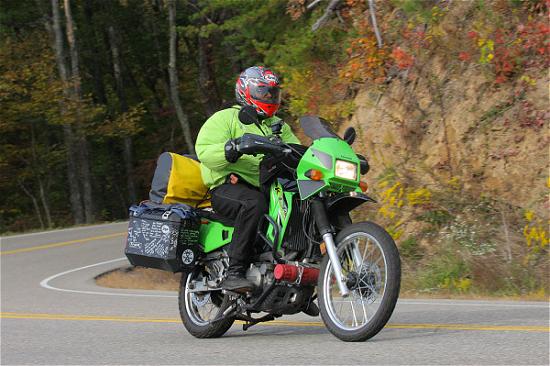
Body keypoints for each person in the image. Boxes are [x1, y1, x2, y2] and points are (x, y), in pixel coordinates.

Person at [195, 66, 300, 292]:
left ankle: (300, 275)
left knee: (302, 202)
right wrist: (231, 148)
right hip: (227, 188)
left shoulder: (278, 125)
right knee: (254, 203)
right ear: (246, 91)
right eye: (264, 92)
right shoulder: (226, 118)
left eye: (273, 93)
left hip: (267, 187)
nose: (270, 97)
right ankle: (235, 272)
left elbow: (297, 151)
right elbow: (204, 150)